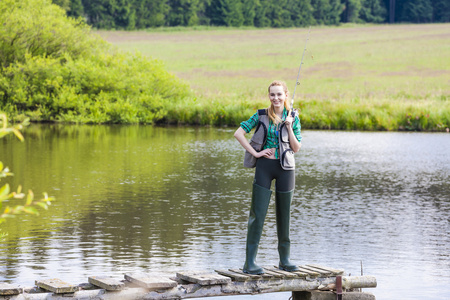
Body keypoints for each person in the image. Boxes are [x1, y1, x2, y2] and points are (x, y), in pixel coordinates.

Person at [234, 80, 302, 275]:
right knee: (257, 215)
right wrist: (255, 154)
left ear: (286, 95)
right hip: (264, 166)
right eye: (272, 94)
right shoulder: (261, 115)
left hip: (286, 168)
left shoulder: (293, 118)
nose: (276, 98)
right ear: (269, 96)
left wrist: (289, 127)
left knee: (284, 215)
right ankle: (249, 263)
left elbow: (296, 148)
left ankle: (285, 260)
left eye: (279, 94)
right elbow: (239, 133)